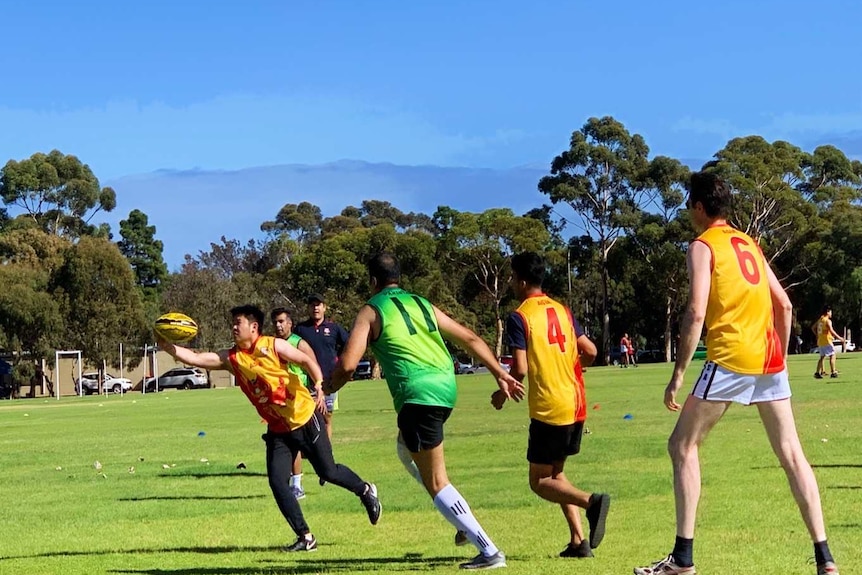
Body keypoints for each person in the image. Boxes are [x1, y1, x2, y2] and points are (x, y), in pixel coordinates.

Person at [634, 172, 839, 575]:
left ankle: (683, 559)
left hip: (729, 358)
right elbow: (784, 307)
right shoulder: (749, 243)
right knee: (793, 456)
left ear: (698, 206)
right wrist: (778, 357)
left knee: (682, 446)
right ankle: (825, 558)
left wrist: (678, 374)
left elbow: (695, 311)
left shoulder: (702, 245)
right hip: (768, 360)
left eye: (688, 205)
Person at [327, 252, 524, 570]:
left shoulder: (371, 310)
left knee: (436, 480)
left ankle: (489, 551)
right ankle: (458, 519)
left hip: (417, 394)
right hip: (445, 389)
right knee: (405, 449)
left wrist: (328, 388)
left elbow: (348, 365)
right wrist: (500, 373)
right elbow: (470, 337)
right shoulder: (421, 303)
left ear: (373, 281)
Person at [157, 304, 381, 552]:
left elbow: (306, 359)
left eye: (238, 323)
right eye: (232, 322)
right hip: (278, 429)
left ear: (253, 327)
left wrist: (318, 384)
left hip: (304, 417)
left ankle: (365, 489)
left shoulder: (273, 345)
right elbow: (197, 358)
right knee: (277, 481)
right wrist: (167, 346)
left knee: (328, 472)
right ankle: (306, 537)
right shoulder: (231, 358)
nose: (233, 327)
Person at [491, 251, 610, 559]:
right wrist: (567, 367)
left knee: (540, 482)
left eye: (511, 277)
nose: (510, 282)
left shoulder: (520, 316)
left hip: (549, 407)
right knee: (556, 477)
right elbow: (591, 351)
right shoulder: (562, 310)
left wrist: (501, 393)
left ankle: (591, 502)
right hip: (575, 402)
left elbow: (519, 369)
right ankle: (578, 541)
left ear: (521, 280)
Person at [271, 307, 325, 500]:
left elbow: (313, 365)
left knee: (311, 444)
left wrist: (318, 389)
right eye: (275, 322)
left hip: (303, 400)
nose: (278, 325)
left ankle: (326, 471)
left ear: (290, 323)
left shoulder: (299, 344)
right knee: (293, 444)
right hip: (284, 402)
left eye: (281, 321)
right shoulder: (273, 344)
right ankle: (296, 485)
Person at [294, 293, 349, 440]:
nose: (315, 308)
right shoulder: (301, 329)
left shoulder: (333, 328)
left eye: (318, 305)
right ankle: (308, 449)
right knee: (305, 417)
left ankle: (326, 452)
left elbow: (349, 345)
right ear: (308, 308)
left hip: (329, 381)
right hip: (306, 382)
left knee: (326, 418)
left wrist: (340, 363)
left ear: (324, 307)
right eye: (312, 305)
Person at [812, 306, 845, 379]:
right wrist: (840, 338)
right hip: (827, 340)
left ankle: (817, 372)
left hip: (820, 341)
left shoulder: (820, 320)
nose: (831, 313)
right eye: (830, 312)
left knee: (822, 357)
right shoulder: (827, 321)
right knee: (832, 355)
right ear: (827, 312)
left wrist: (818, 334)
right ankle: (833, 372)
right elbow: (831, 330)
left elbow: (813, 327)